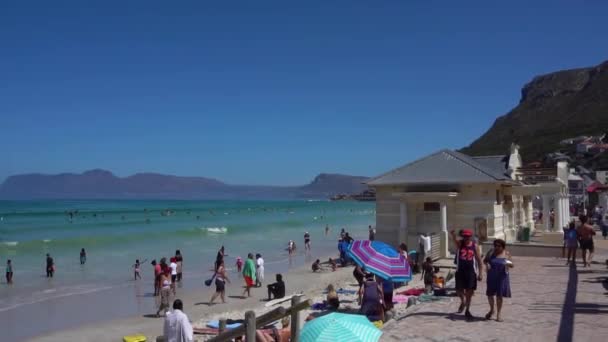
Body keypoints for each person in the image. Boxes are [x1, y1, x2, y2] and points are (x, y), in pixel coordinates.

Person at [450, 229, 483, 320]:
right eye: (464, 236)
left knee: (470, 291)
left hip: (471, 272)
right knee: (458, 290)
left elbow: (479, 260)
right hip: (460, 271)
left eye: (467, 236)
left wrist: (480, 273)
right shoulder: (460, 244)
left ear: (470, 237)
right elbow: (454, 240)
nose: (466, 238)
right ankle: (463, 300)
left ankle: (467, 310)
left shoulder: (474, 246)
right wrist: (452, 234)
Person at [483, 239, 513, 322]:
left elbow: (511, 265)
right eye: (495, 245)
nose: (496, 247)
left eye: (498, 246)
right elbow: (485, 261)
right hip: (491, 276)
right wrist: (487, 264)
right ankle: (492, 309)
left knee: (499, 295)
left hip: (502, 277)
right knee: (490, 294)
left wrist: (508, 263)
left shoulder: (506, 254)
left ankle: (498, 314)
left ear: (503, 246)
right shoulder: (491, 252)